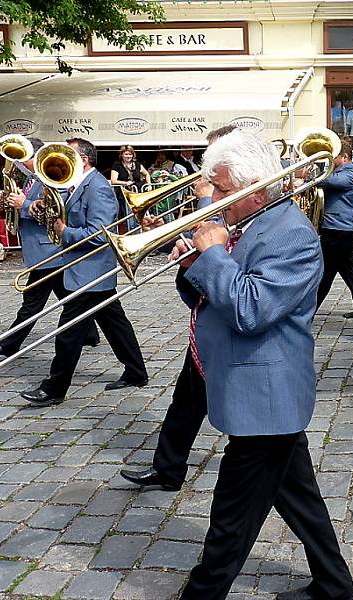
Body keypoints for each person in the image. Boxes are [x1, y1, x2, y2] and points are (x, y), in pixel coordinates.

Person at [166, 130, 353, 600]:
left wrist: (211, 255)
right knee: (300, 499)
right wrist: (193, 264)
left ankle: (203, 594)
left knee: (230, 518)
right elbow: (208, 298)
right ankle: (334, 587)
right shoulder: (248, 227)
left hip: (267, 398)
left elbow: (250, 309)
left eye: (224, 191)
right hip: (258, 393)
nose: (215, 201)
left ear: (255, 187)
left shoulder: (291, 235)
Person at [118, 125, 235, 493]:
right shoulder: (220, 191)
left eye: (214, 157)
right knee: (185, 399)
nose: (206, 169)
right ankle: (167, 468)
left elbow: (217, 230)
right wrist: (166, 230)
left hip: (232, 319)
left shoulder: (236, 196)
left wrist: (203, 200)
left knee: (257, 431)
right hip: (210, 314)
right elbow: (204, 239)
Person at [20, 138, 148, 407]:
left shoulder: (97, 187)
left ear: (84, 160)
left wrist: (65, 232)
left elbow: (102, 234)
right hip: (86, 271)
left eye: (69, 155)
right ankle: (137, 372)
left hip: (90, 271)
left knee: (68, 331)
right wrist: (40, 208)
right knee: (115, 324)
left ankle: (55, 387)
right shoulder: (76, 185)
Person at [0, 138, 99, 358]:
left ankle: (11, 343)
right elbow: (20, 212)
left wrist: (23, 205)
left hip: (48, 250)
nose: (18, 163)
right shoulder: (29, 181)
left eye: (23, 158)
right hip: (39, 249)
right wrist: (5, 206)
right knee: (70, 296)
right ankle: (90, 333)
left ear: (36, 156)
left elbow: (52, 213)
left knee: (31, 303)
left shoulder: (53, 178)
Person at [315, 143, 353, 319]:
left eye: (334, 157)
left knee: (325, 273)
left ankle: (308, 312)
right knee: (348, 270)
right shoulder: (337, 171)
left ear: (345, 158)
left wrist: (311, 176)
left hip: (339, 230)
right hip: (335, 229)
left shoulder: (351, 172)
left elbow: (333, 181)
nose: (331, 160)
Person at [110, 145, 150, 229]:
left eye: (130, 154)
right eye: (126, 154)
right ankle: (132, 229)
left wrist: (149, 184)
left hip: (138, 193)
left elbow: (147, 174)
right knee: (129, 214)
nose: (128, 156)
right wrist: (125, 183)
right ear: (122, 155)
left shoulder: (137, 165)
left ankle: (141, 228)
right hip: (124, 194)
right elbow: (113, 180)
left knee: (141, 213)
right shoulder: (117, 165)